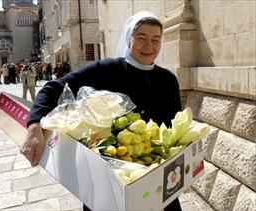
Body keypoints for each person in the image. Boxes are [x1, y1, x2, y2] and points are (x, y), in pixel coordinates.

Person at [21, 11, 182, 211]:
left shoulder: (168, 80)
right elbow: (52, 89)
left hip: (155, 177)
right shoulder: (106, 70)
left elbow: (174, 128)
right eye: (141, 38)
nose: (149, 46)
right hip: (107, 179)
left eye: (155, 39)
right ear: (128, 39)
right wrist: (34, 125)